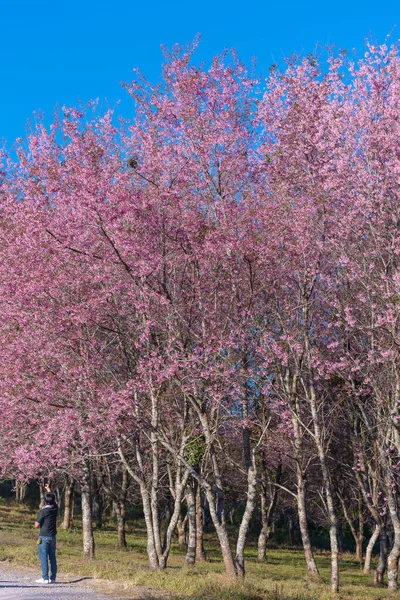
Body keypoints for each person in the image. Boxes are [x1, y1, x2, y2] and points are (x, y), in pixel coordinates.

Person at [34, 483, 58, 584]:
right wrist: (48, 489)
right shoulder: (55, 508)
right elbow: (52, 498)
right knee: (52, 557)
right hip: (53, 537)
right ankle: (52, 578)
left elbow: (36, 524)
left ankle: (44, 578)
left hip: (43, 536)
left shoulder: (44, 511)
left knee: (43, 557)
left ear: (45, 501)